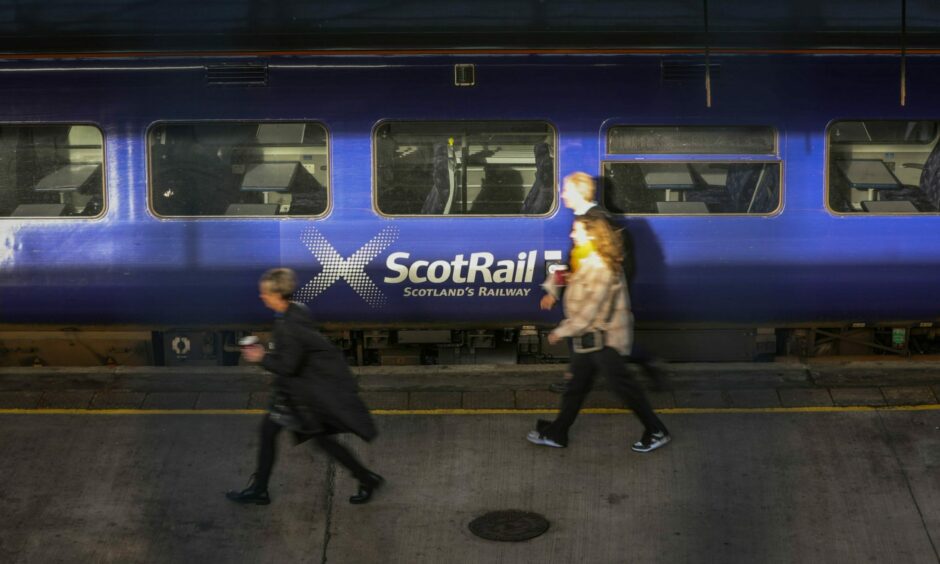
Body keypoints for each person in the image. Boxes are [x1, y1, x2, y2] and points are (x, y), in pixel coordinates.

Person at [226, 268, 384, 505]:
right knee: (274, 433)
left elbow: (289, 366)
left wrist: (261, 357)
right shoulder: (296, 310)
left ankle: (365, 477)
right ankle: (260, 488)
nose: (262, 297)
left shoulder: (290, 326)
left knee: (319, 440)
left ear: (278, 295)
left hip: (301, 396)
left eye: (265, 293)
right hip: (293, 393)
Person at [528, 215, 671, 453]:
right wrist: (553, 290)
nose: (572, 235)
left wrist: (560, 332)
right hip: (590, 339)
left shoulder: (601, 267)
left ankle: (656, 430)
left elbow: (591, 313)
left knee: (624, 387)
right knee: (577, 386)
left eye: (577, 231)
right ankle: (558, 433)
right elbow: (566, 274)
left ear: (592, 234)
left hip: (605, 338)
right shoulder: (583, 257)